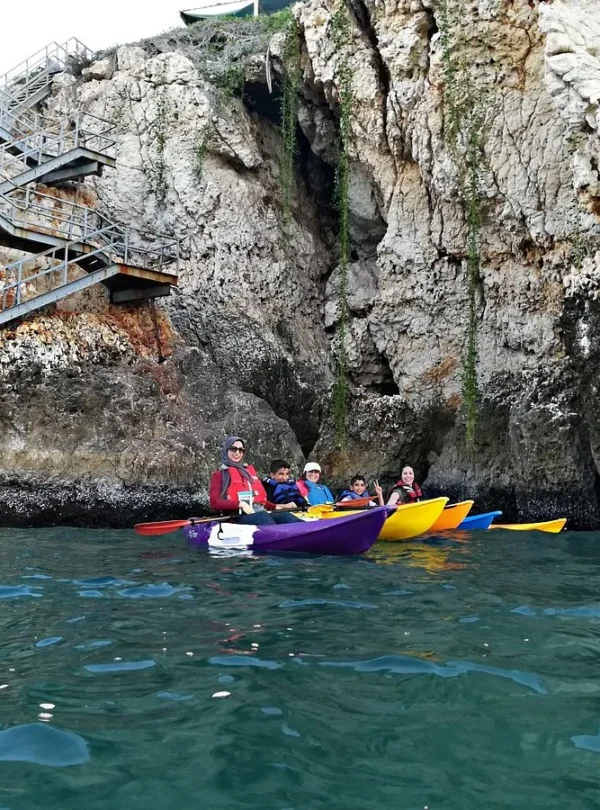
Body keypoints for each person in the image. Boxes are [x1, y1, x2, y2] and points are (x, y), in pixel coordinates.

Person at [209, 436, 301, 526]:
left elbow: (259, 500)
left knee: (285, 516)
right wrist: (241, 504)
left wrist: (277, 506)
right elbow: (214, 502)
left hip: (258, 512)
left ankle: (308, 533)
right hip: (237, 516)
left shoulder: (247, 472)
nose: (237, 453)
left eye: (241, 450)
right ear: (226, 450)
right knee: (262, 517)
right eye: (233, 449)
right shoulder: (219, 475)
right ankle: (278, 538)